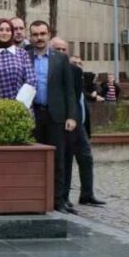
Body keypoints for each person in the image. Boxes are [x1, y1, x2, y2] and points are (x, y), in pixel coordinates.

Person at [27, 20, 79, 214]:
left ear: (48, 35)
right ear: (30, 36)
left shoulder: (60, 59)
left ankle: (59, 200)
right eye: (35, 34)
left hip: (56, 115)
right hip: (33, 115)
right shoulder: (25, 56)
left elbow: (69, 90)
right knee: (35, 160)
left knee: (58, 160)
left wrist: (71, 116)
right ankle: (38, 198)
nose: (39, 38)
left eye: (42, 34)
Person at [51, 38, 105, 207]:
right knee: (65, 162)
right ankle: (64, 198)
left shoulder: (75, 71)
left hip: (79, 123)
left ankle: (87, 194)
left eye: (63, 49)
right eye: (57, 49)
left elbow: (78, 97)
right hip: (65, 122)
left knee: (86, 158)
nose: (61, 52)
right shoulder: (52, 70)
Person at [0, 18, 35, 101]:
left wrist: (18, 105)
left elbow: (31, 81)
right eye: (0, 30)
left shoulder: (22, 53)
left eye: (8, 30)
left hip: (21, 107)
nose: (4, 33)